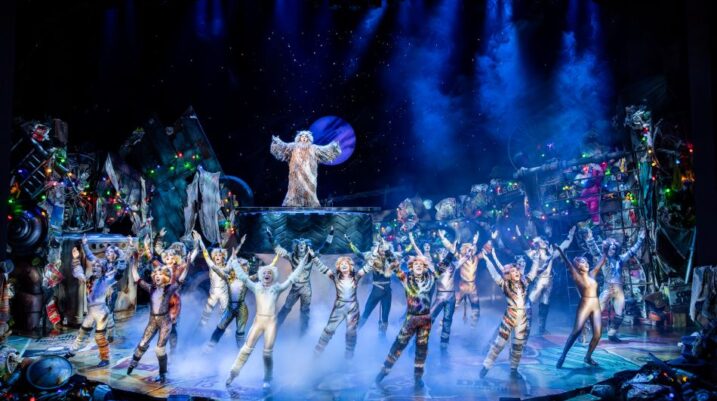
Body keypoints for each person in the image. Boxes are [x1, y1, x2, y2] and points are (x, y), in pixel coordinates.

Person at [225, 254, 309, 389]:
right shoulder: (256, 287)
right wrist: (234, 262)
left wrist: (302, 263)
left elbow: (292, 279)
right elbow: (243, 278)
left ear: (273, 276)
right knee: (245, 349)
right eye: (264, 273)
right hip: (258, 322)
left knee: (267, 353)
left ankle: (267, 378)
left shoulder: (277, 288)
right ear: (261, 275)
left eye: (269, 273)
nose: (267, 274)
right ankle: (233, 374)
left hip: (271, 323)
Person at [480, 249, 546, 378]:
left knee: (518, 345)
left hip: (522, 318)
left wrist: (536, 259)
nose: (516, 273)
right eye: (513, 271)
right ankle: (486, 366)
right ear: (508, 274)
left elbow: (533, 273)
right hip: (510, 316)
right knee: (499, 343)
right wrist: (487, 260)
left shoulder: (524, 282)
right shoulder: (504, 284)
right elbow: (494, 273)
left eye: (517, 271)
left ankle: (514, 369)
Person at [375, 255, 436, 389]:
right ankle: (384, 371)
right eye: (416, 264)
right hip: (411, 319)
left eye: (421, 264)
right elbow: (395, 267)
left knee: (422, 349)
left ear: (425, 267)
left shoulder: (431, 278)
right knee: (398, 345)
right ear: (411, 267)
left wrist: (451, 253)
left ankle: (418, 377)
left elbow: (442, 267)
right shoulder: (406, 278)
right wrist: (387, 251)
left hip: (425, 320)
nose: (418, 266)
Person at [126, 256, 188, 383]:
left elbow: (180, 280)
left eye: (160, 274)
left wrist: (187, 266)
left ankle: (162, 373)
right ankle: (133, 364)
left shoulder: (169, 289)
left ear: (165, 277)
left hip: (165, 321)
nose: (157, 276)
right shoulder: (151, 289)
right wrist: (133, 265)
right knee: (142, 344)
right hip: (153, 321)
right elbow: (137, 279)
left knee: (159, 350)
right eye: (156, 275)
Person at [270, 228, 333, 336]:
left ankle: (303, 333)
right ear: (297, 246)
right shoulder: (292, 256)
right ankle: (275, 329)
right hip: (295, 287)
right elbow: (279, 249)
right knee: (286, 308)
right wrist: (271, 237)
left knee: (305, 311)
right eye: (299, 244)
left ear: (307, 246)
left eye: (303, 244)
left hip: (306, 288)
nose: (301, 245)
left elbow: (325, 247)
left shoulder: (311, 256)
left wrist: (331, 233)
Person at [555, 246, 606, 367]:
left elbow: (600, 263)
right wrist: (560, 250)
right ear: (577, 266)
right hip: (585, 304)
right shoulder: (576, 276)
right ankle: (563, 356)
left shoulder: (592, 274)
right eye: (582, 262)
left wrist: (605, 251)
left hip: (595, 305)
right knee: (576, 331)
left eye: (586, 262)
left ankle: (588, 357)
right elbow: (568, 263)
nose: (586, 264)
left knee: (598, 334)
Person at [66, 248, 115, 367]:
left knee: (99, 336)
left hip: (101, 312)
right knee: (82, 333)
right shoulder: (89, 280)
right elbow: (79, 274)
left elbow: (116, 274)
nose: (95, 268)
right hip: (91, 312)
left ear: (103, 269)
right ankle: (72, 351)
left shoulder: (106, 280)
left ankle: (105, 358)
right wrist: (76, 259)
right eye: (94, 266)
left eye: (98, 266)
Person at [314, 256, 369, 359]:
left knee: (351, 333)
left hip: (352, 308)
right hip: (339, 307)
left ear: (350, 266)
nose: (343, 265)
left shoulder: (356, 276)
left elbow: (367, 267)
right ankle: (316, 354)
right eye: (341, 264)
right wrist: (314, 258)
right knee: (329, 329)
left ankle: (349, 358)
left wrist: (376, 255)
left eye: (345, 263)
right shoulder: (335, 277)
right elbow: (323, 268)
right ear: (338, 267)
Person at [269, 130, 341, 207]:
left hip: (309, 174)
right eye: (302, 137)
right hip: (296, 174)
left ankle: (310, 203)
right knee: (295, 189)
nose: (304, 138)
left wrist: (333, 147)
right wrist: (278, 142)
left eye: (306, 137)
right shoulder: (293, 147)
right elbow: (284, 147)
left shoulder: (314, 148)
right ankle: (293, 203)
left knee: (309, 189)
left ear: (308, 139)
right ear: (299, 138)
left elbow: (324, 150)